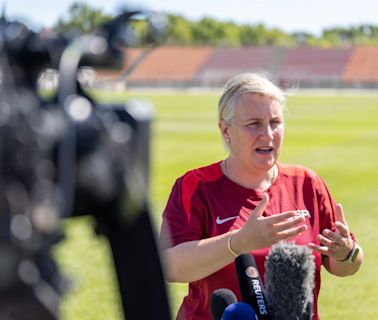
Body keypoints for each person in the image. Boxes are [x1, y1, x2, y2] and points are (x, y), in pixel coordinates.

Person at [159, 73, 364, 320]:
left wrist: (346, 253)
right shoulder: (195, 186)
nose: (267, 134)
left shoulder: (307, 183)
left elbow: (345, 266)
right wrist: (238, 243)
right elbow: (169, 266)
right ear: (226, 130)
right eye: (254, 123)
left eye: (275, 122)